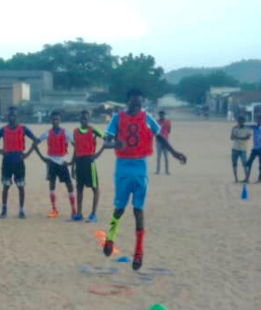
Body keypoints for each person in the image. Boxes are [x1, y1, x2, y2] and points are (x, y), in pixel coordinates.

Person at [102, 89, 187, 270]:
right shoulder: (117, 118)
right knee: (119, 208)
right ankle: (110, 237)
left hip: (140, 167)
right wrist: (115, 143)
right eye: (133, 103)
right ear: (127, 102)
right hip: (123, 167)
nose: (136, 107)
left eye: (139, 104)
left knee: (138, 210)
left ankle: (139, 252)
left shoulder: (146, 117)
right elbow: (106, 142)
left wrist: (174, 152)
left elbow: (160, 136)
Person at [0, 107, 39, 219]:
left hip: (19, 162)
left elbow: (35, 140)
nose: (12, 118)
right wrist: (0, 151)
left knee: (21, 187)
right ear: (8, 117)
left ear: (18, 117)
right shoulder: (3, 130)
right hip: (7, 162)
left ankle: (21, 211)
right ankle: (4, 210)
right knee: (6, 186)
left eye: (14, 116)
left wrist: (27, 154)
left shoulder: (23, 129)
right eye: (10, 115)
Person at [35, 110, 78, 220]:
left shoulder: (66, 133)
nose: (55, 121)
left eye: (57, 119)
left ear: (60, 120)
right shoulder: (47, 133)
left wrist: (72, 161)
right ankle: (54, 209)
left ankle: (73, 210)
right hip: (51, 162)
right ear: (51, 120)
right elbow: (35, 143)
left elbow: (76, 146)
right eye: (54, 119)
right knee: (52, 185)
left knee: (69, 185)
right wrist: (42, 158)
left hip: (62, 162)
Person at [72, 110, 105, 222]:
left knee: (95, 188)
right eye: (82, 118)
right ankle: (79, 213)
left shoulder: (93, 130)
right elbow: (75, 149)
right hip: (79, 163)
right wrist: (73, 165)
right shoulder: (75, 131)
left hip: (89, 162)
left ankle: (93, 214)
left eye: (86, 118)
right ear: (79, 120)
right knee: (79, 188)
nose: (84, 120)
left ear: (88, 119)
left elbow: (105, 138)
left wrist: (97, 153)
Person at [230, 116, 252, 182]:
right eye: (239, 121)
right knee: (234, 164)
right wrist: (238, 137)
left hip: (243, 149)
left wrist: (237, 137)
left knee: (244, 164)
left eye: (241, 121)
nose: (240, 122)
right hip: (235, 148)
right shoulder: (234, 128)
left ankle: (247, 178)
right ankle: (236, 178)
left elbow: (247, 138)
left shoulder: (247, 129)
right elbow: (231, 138)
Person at [155, 110, 172, 175]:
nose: (161, 116)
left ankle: (167, 171)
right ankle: (158, 170)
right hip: (159, 141)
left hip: (165, 141)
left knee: (166, 157)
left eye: (162, 115)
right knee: (159, 157)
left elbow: (169, 130)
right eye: (160, 115)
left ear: (164, 115)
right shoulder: (156, 122)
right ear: (159, 115)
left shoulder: (168, 122)